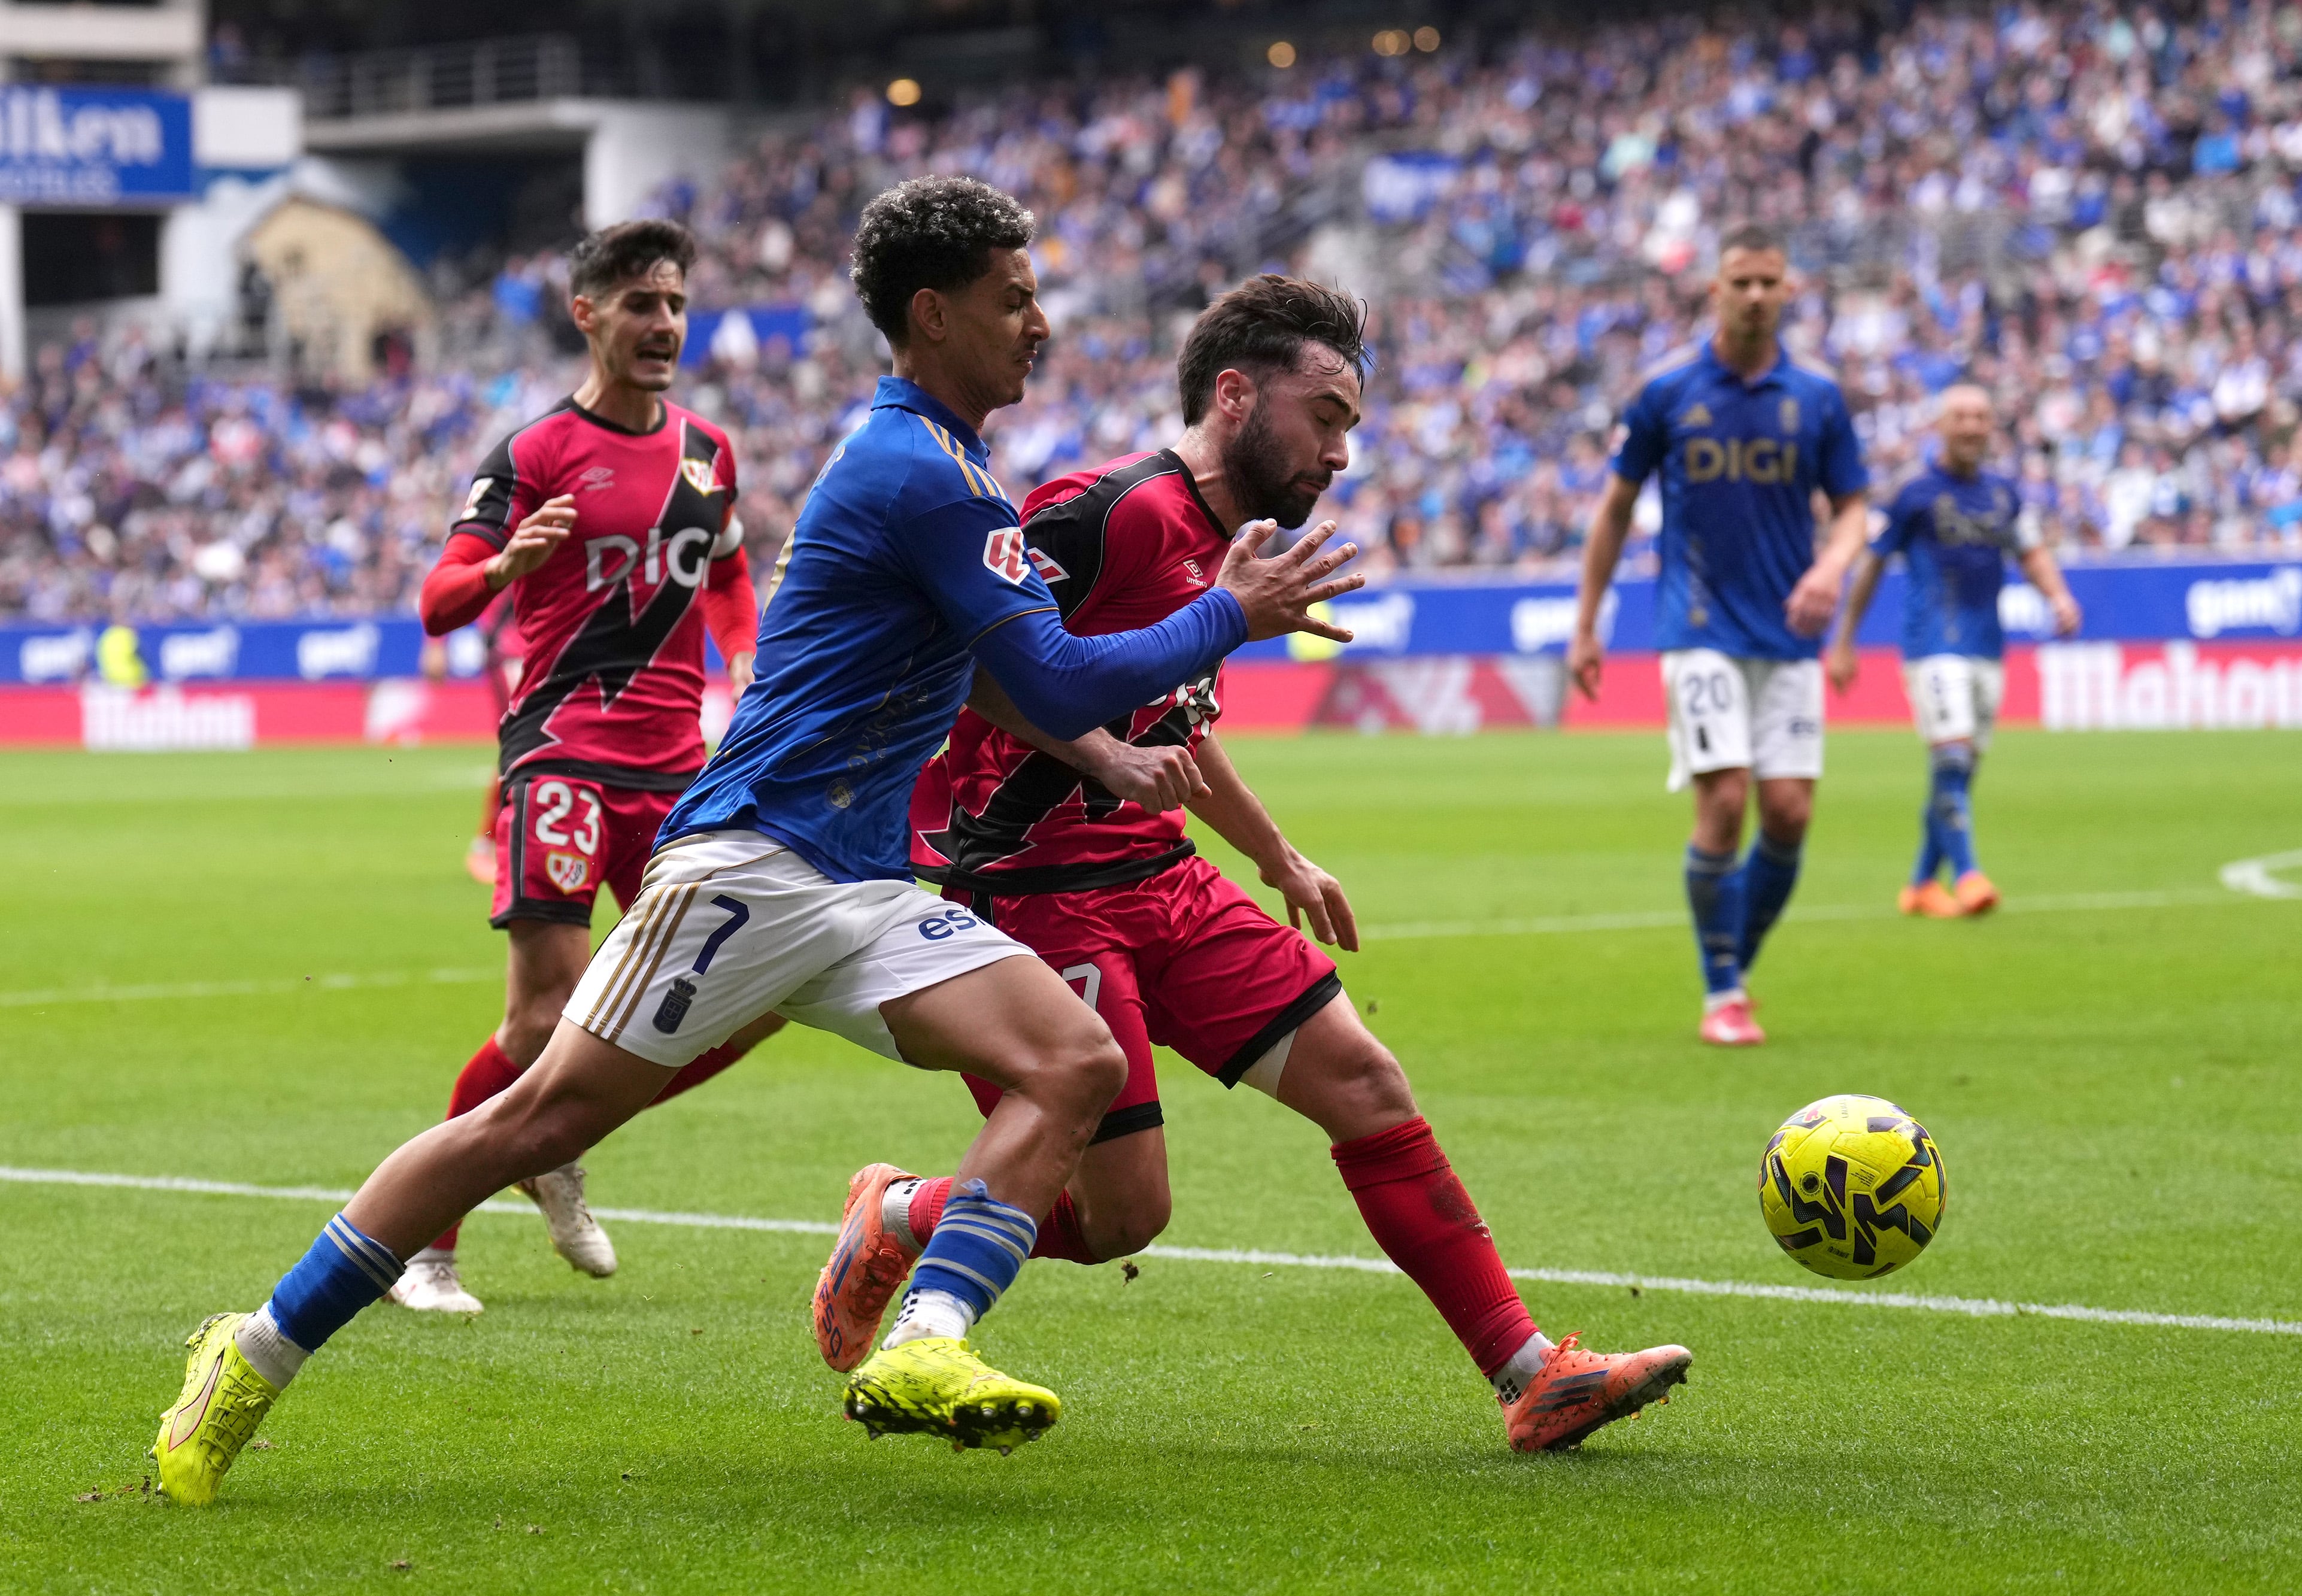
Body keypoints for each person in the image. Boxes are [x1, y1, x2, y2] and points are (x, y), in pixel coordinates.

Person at [150, 175, 1363, 1504]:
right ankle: (251, 1348)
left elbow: (1000, 679)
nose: (1038, 323)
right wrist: (1226, 615)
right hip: (752, 861)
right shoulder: (918, 471)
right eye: (1012, 299)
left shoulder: (955, 470)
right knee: (531, 1117)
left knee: (1069, 1061)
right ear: (932, 312)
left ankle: (926, 1343)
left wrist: (1102, 753)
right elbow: (1066, 671)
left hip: (859, 884)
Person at [815, 275, 1693, 1454]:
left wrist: (1276, 853)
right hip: (1038, 899)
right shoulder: (1101, 511)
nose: (1338, 450)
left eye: (1350, 426)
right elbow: (974, 663)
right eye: (1322, 415)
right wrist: (1108, 761)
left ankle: (1531, 1374)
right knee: (1123, 1212)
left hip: (1164, 884)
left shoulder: (1233, 546)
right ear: (1234, 395)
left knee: (1366, 1085)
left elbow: (1174, 713)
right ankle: (905, 1209)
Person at [384, 220, 782, 1316]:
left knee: (746, 1000)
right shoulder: (532, 453)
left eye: (675, 304)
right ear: (588, 314)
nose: (663, 325)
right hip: (563, 755)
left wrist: (746, 659)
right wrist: (503, 565)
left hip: (678, 775)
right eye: (640, 304)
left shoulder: (711, 451)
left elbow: (734, 579)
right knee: (537, 1025)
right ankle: (424, 1247)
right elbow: (437, 602)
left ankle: (553, 1139)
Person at [1567, 223, 1870, 1048]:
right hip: (1696, 625)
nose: (1755, 296)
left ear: (1789, 291)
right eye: (1740, 282)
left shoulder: (1817, 398)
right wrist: (1587, 622)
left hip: (1788, 630)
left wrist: (1830, 568)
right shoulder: (1666, 393)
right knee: (1727, 798)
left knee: (1790, 812)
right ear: (1715, 290)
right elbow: (1616, 508)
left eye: (1769, 282)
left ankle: (1735, 956)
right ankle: (1722, 987)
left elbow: (1852, 510)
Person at [1825, 384, 2081, 916]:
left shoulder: (2004, 494)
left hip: (1988, 648)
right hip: (1932, 645)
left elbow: (2030, 552)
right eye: (1960, 417)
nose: (1970, 426)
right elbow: (1872, 565)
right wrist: (1845, 640)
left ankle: (1920, 885)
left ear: (1991, 427)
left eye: (1980, 417)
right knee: (1952, 755)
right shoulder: (1910, 492)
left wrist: (2057, 596)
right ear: (1939, 426)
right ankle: (1968, 875)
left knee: (1956, 774)